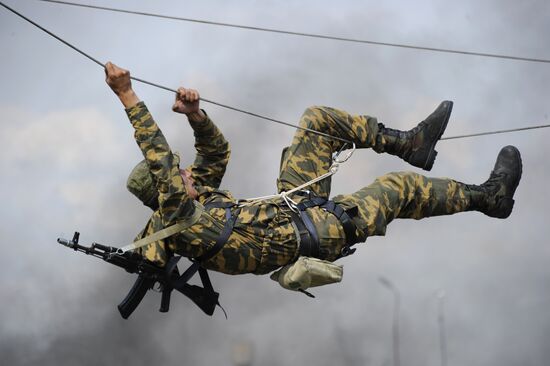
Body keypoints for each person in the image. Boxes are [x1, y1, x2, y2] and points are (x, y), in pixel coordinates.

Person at [105, 62, 522, 277]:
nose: (190, 174)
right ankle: (491, 198)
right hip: (316, 232)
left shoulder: (201, 202)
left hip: (297, 207)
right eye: (181, 176)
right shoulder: (182, 220)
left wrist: (195, 115)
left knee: (317, 120)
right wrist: (127, 94)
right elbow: (160, 159)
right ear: (166, 192)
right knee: (399, 189)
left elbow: (216, 153)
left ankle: (407, 143)